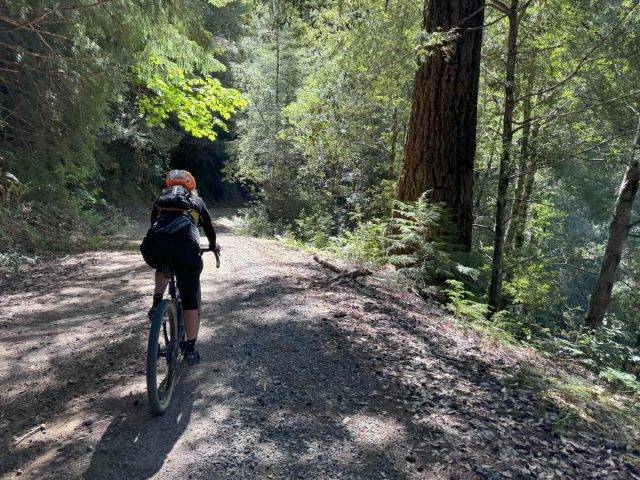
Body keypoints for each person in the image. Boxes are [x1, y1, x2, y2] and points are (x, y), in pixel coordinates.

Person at [140, 170, 219, 365]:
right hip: (185, 250)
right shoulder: (197, 201)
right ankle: (190, 348)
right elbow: (208, 227)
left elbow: (153, 224)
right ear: (191, 186)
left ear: (169, 185)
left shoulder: (161, 200)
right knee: (190, 299)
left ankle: (157, 302)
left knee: (163, 263)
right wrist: (212, 245)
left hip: (153, 247)